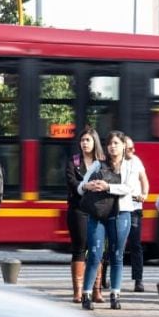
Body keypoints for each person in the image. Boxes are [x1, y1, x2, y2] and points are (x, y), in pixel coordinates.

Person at [78, 130, 141, 310]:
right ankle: (87, 294)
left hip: (121, 214)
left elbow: (128, 187)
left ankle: (115, 294)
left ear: (123, 146)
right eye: (110, 144)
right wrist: (87, 185)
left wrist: (107, 186)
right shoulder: (98, 164)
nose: (112, 147)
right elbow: (80, 186)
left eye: (116, 143)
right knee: (95, 255)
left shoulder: (131, 165)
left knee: (117, 255)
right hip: (98, 214)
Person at [64, 127, 105, 303]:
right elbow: (72, 183)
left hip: (98, 209)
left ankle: (96, 291)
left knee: (97, 249)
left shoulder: (103, 163)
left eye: (88, 140)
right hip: (78, 209)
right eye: (82, 140)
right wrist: (86, 186)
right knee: (79, 248)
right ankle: (78, 291)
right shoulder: (73, 162)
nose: (85, 143)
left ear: (95, 142)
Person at [123, 136, 149, 293]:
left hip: (134, 207)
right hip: (119, 206)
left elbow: (143, 179)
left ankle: (138, 280)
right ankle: (104, 277)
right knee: (113, 244)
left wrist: (144, 193)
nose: (133, 151)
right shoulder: (115, 162)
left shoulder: (136, 161)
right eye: (130, 148)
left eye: (133, 148)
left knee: (135, 244)